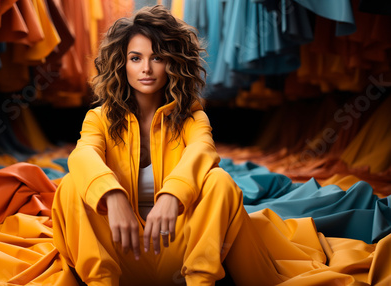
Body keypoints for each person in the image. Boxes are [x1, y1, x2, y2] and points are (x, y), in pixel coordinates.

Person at [52, 5, 287, 286]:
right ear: (121, 63)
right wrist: (111, 195)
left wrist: (172, 195)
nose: (146, 69)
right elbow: (83, 154)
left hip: (180, 254)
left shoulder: (192, 116)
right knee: (69, 186)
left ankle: (201, 281)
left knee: (220, 181)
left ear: (173, 63)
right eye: (135, 58)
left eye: (158, 57)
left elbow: (203, 151)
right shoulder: (99, 118)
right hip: (119, 253)